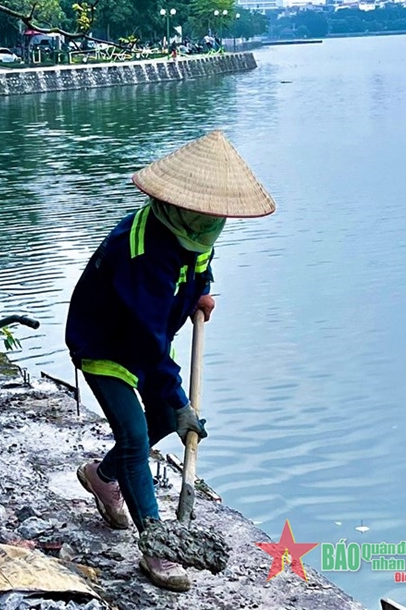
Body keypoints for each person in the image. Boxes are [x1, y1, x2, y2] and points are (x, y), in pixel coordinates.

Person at [65, 131, 276, 592]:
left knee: (161, 417)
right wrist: (180, 399)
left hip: (149, 338)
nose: (215, 219)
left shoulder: (196, 228)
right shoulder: (142, 250)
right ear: (180, 203)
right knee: (138, 435)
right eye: (207, 211)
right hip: (106, 343)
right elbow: (145, 343)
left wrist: (201, 289)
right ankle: (157, 548)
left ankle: (102, 477)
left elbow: (199, 260)